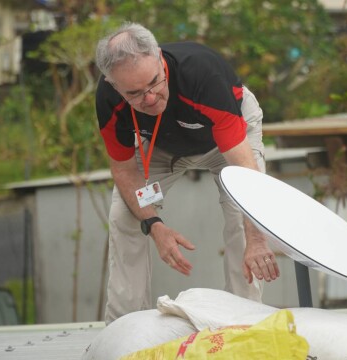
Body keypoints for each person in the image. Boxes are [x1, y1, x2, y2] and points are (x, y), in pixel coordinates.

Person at [95, 22, 280, 324]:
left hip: (226, 142)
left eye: (154, 82)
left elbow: (246, 172)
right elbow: (124, 169)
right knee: (124, 216)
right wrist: (154, 224)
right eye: (135, 93)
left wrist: (258, 240)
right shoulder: (108, 99)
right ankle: (123, 326)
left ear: (159, 58)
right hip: (161, 146)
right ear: (113, 85)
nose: (150, 98)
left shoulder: (201, 74)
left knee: (241, 218)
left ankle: (244, 321)